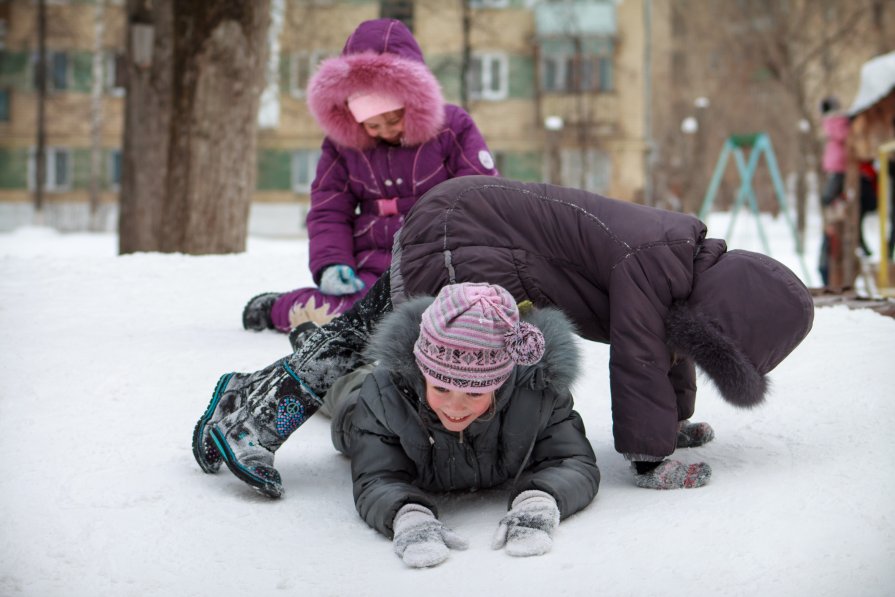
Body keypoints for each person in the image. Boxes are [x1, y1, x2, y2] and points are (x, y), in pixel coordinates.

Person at [193, 176, 814, 499]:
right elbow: (641, 356)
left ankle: (247, 402)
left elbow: (665, 347)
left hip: (466, 220)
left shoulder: (677, 264)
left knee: (361, 328)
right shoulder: (656, 258)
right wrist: (650, 459)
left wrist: (673, 425)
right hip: (465, 235)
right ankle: (258, 418)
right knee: (393, 346)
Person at [242, 19, 498, 334]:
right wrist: (332, 263)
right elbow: (329, 208)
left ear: (413, 104)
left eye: (393, 119)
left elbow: (482, 197)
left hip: (441, 261)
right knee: (360, 314)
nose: (385, 132)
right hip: (373, 268)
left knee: (462, 318)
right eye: (372, 126)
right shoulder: (343, 146)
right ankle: (280, 308)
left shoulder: (453, 128)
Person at [319, 282, 597, 567]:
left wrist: (541, 499)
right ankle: (310, 336)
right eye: (441, 388)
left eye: (475, 392)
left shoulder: (539, 394)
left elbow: (573, 460)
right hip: (358, 408)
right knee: (340, 388)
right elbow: (377, 477)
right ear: (423, 374)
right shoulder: (385, 396)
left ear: (500, 383)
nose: (455, 406)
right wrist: (407, 515)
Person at [817, 96, 850, 285]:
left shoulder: (835, 123)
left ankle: (835, 203)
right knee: (829, 198)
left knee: (829, 197)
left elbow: (841, 137)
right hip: (835, 166)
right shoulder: (836, 123)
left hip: (837, 167)